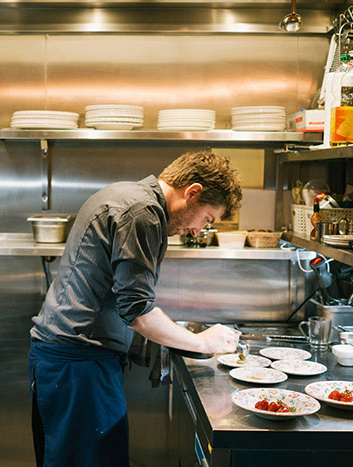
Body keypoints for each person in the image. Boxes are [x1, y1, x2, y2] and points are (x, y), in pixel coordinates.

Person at [28, 150, 243, 467]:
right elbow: (138, 312)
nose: (198, 231)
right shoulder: (142, 212)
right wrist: (202, 343)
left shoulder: (130, 196)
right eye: (206, 219)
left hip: (75, 361)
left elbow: (126, 295)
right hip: (77, 365)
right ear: (192, 192)